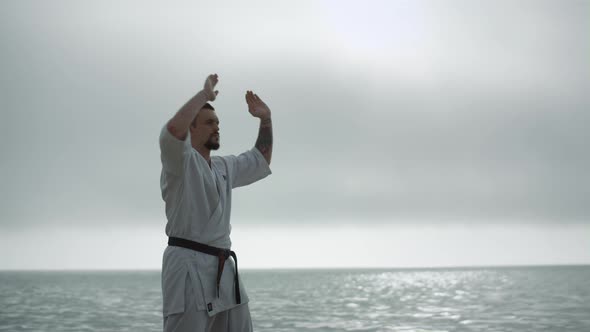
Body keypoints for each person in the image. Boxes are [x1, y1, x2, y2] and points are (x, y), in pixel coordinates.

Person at [159, 73, 273, 331]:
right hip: (188, 268)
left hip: (224, 270)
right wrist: (204, 96)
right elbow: (173, 131)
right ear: (192, 128)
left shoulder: (223, 167)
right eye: (209, 122)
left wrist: (265, 119)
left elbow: (261, 159)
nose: (216, 127)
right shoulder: (180, 163)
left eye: (218, 122)